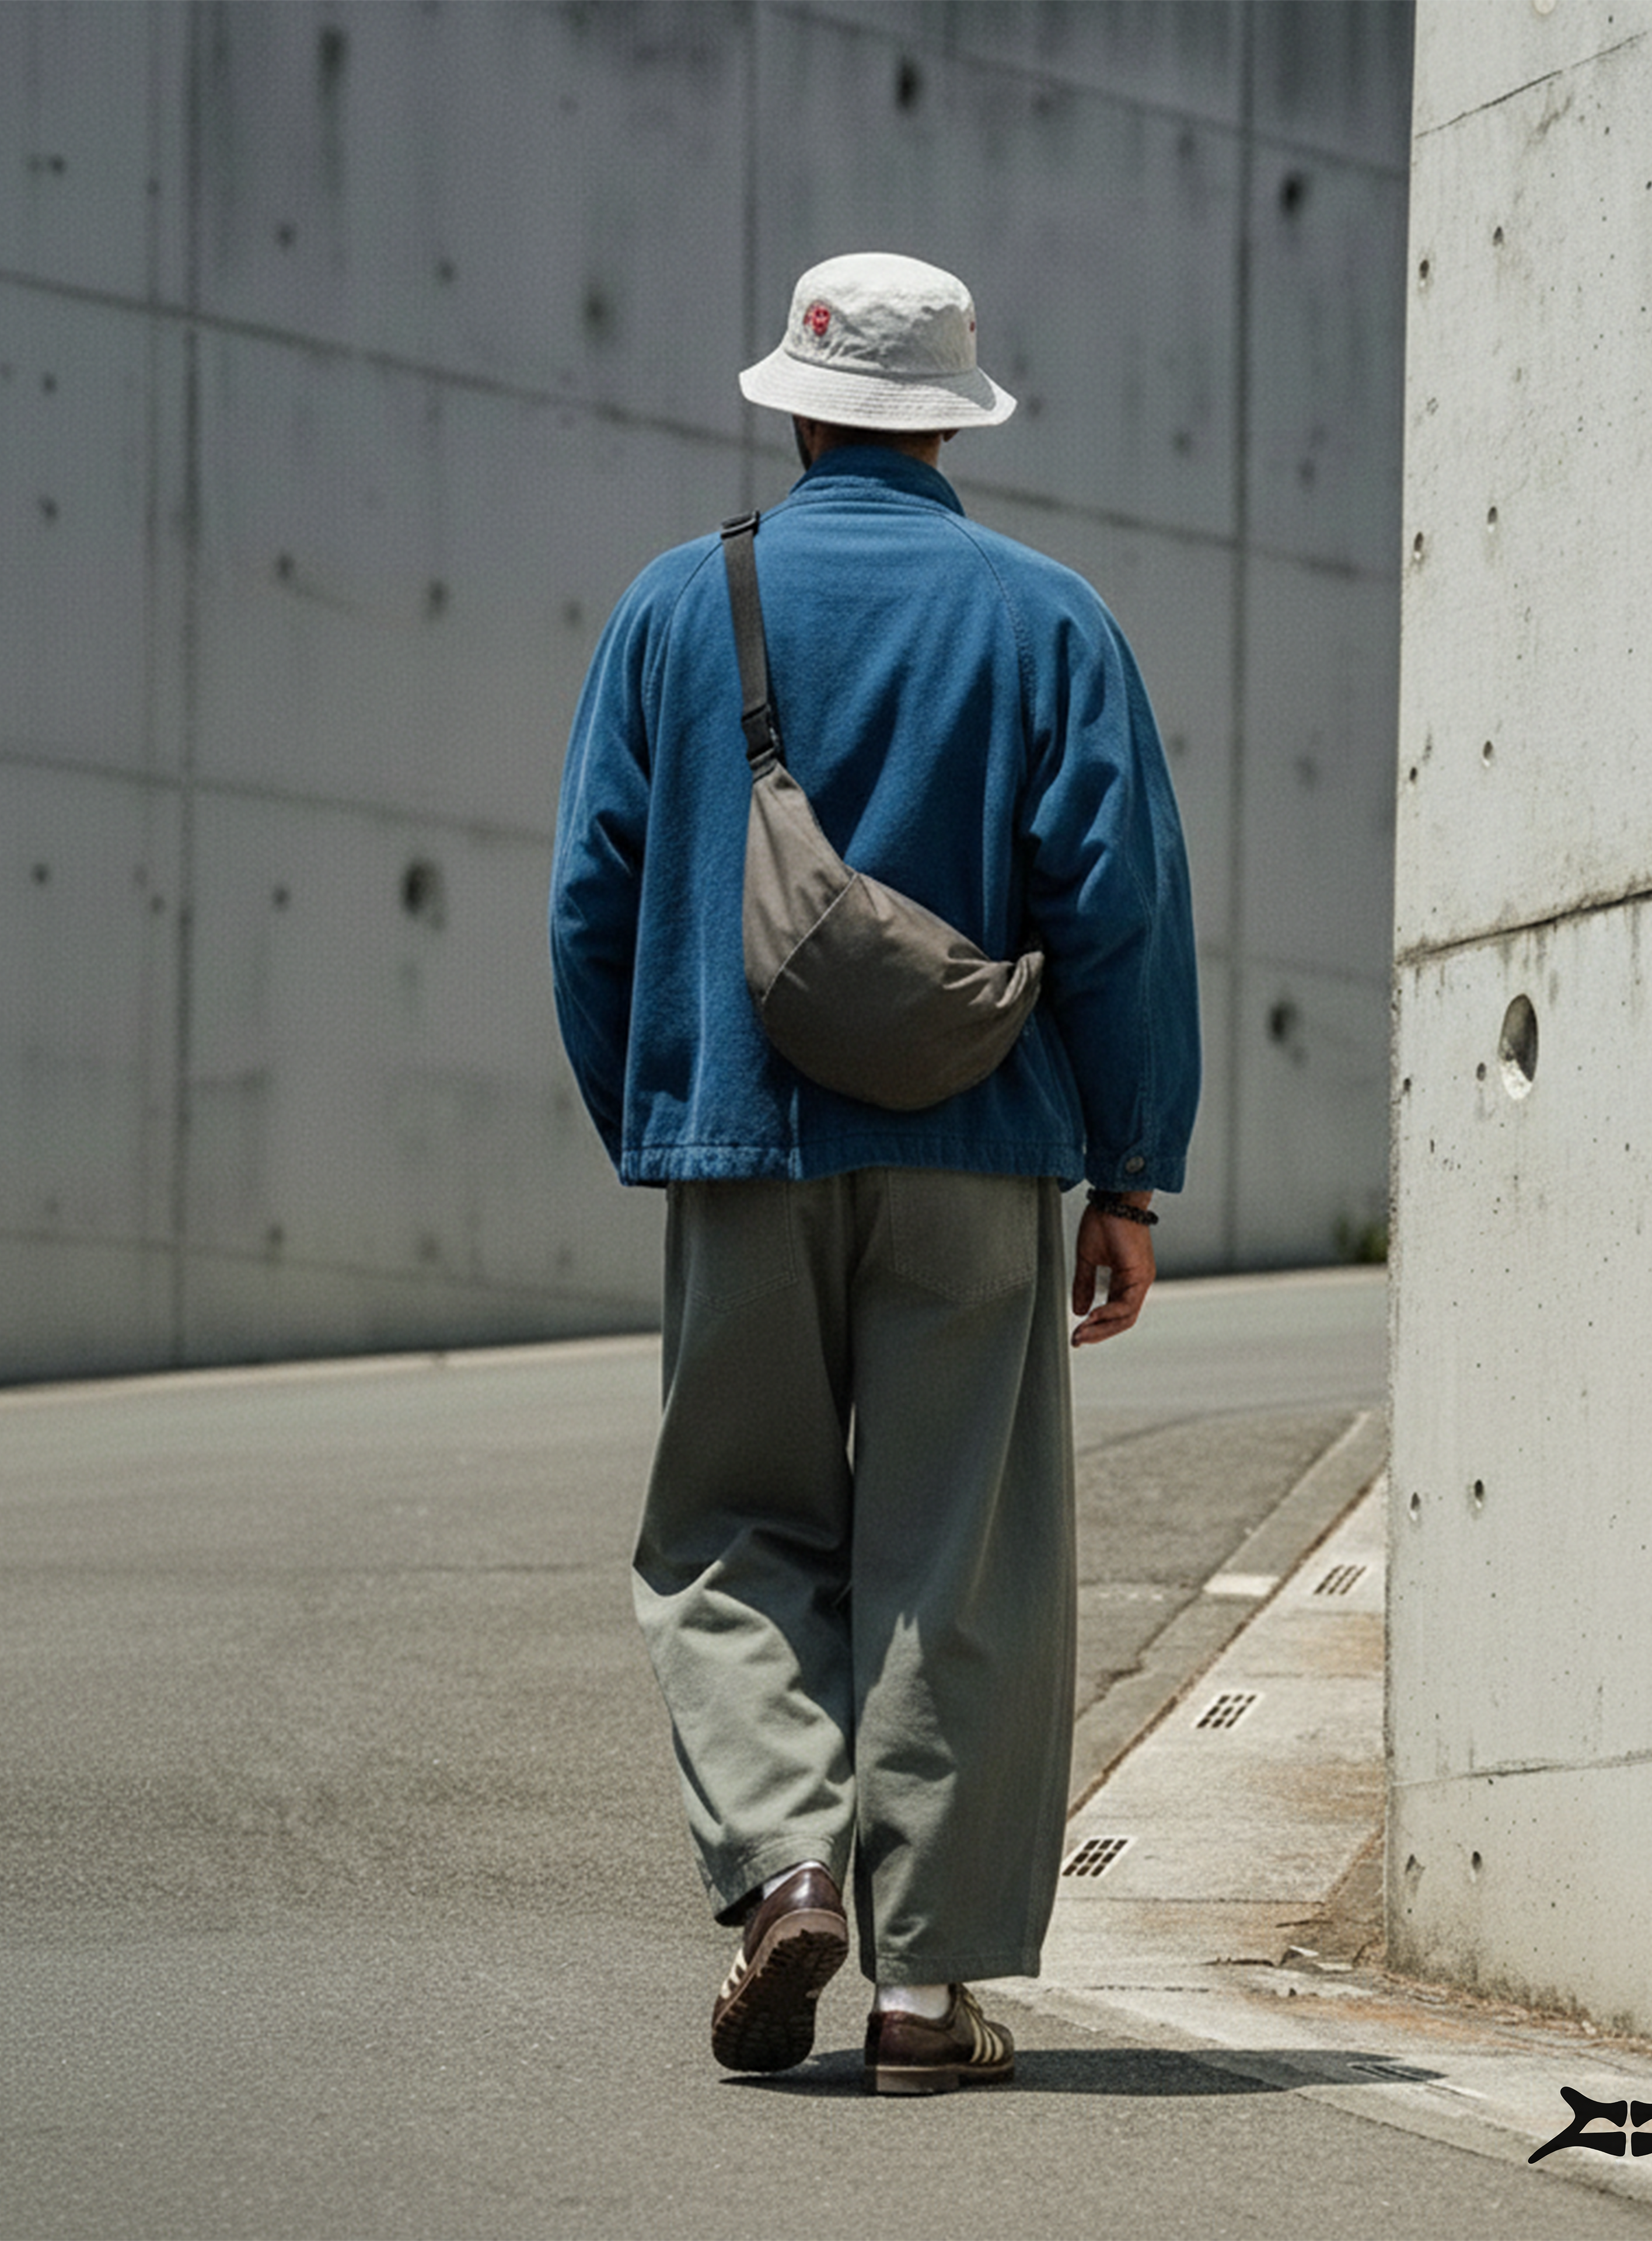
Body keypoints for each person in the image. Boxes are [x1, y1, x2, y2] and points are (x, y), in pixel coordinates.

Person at [548, 251, 1200, 2093]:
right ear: (950, 422)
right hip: (982, 1152)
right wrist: (1128, 1176)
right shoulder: (1051, 618)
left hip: (742, 1143)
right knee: (955, 1557)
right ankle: (926, 1998)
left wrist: (662, 1116)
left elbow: (593, 900)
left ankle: (785, 1870)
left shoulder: (679, 608)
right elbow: (1124, 909)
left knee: (726, 1529)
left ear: (800, 408)